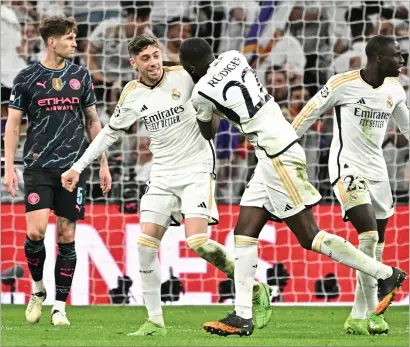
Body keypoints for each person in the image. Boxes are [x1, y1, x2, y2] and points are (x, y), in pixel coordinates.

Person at [178, 37, 407, 337]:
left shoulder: (200, 92)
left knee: (309, 236)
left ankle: (385, 274)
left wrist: (199, 107)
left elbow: (209, 131)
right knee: (244, 231)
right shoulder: (235, 56)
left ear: (191, 68)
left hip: (277, 155)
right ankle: (243, 314)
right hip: (272, 149)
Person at [60, 34, 272, 337]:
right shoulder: (131, 94)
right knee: (145, 247)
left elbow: (223, 94)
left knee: (198, 242)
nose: (154, 62)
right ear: (133, 63)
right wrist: (78, 167)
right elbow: (109, 133)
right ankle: (155, 322)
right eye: (145, 58)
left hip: (197, 168)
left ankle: (252, 287)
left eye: (156, 55)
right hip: (161, 175)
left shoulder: (184, 76)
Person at [292, 35, 408, 335]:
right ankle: (374, 314)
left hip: (378, 171)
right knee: (368, 234)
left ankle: (357, 315)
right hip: (347, 168)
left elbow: (407, 128)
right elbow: (307, 115)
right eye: (398, 55)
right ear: (379, 58)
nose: (403, 60)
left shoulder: (395, 89)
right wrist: (279, 151)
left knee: (376, 247)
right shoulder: (342, 83)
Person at [3, 16, 112, 326]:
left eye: (74, 37)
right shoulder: (26, 78)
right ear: (52, 42)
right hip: (37, 166)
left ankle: (60, 306)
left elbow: (93, 121)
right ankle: (37, 291)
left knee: (66, 234)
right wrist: (9, 167)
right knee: (35, 231)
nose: (74, 43)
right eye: (69, 38)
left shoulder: (81, 76)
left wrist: (102, 163)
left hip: (73, 169)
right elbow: (13, 125)